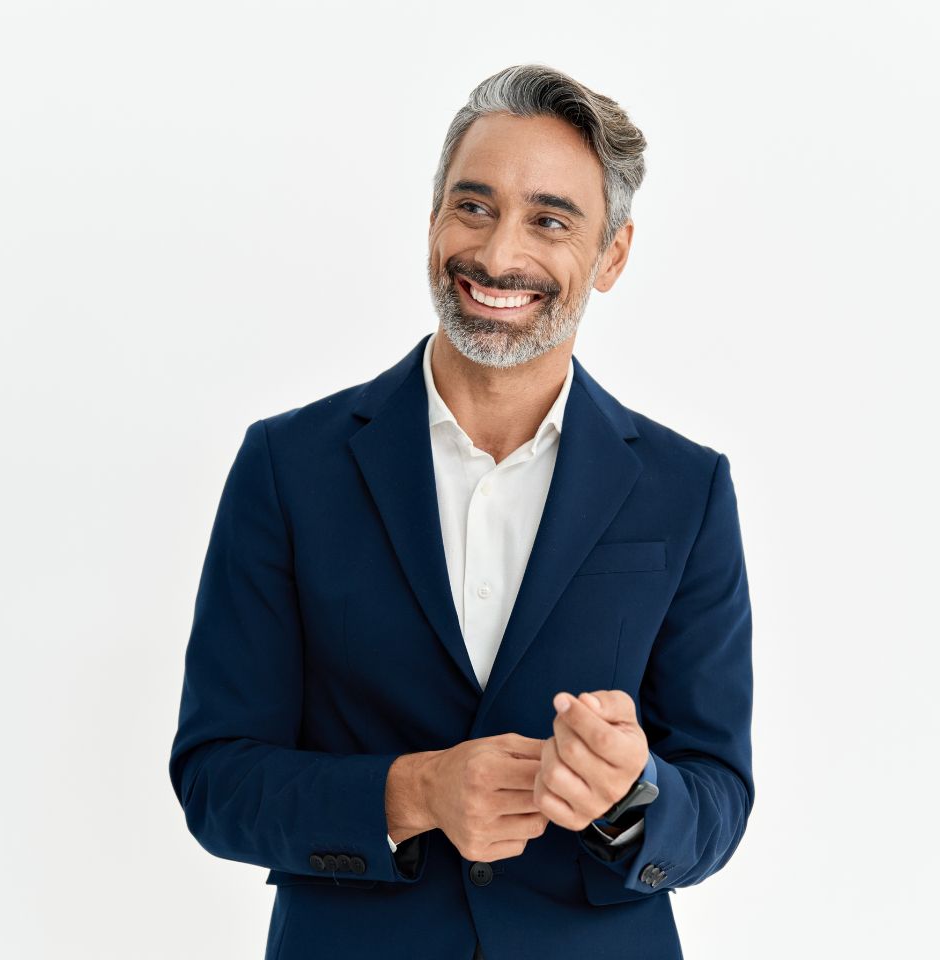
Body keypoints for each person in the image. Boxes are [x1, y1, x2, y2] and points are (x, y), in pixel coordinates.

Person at [168, 63, 754, 960]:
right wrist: (415, 793)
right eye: (473, 206)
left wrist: (630, 798)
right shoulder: (288, 466)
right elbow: (216, 778)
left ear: (612, 255)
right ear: (433, 216)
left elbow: (719, 791)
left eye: (550, 220)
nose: (498, 254)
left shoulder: (687, 487)